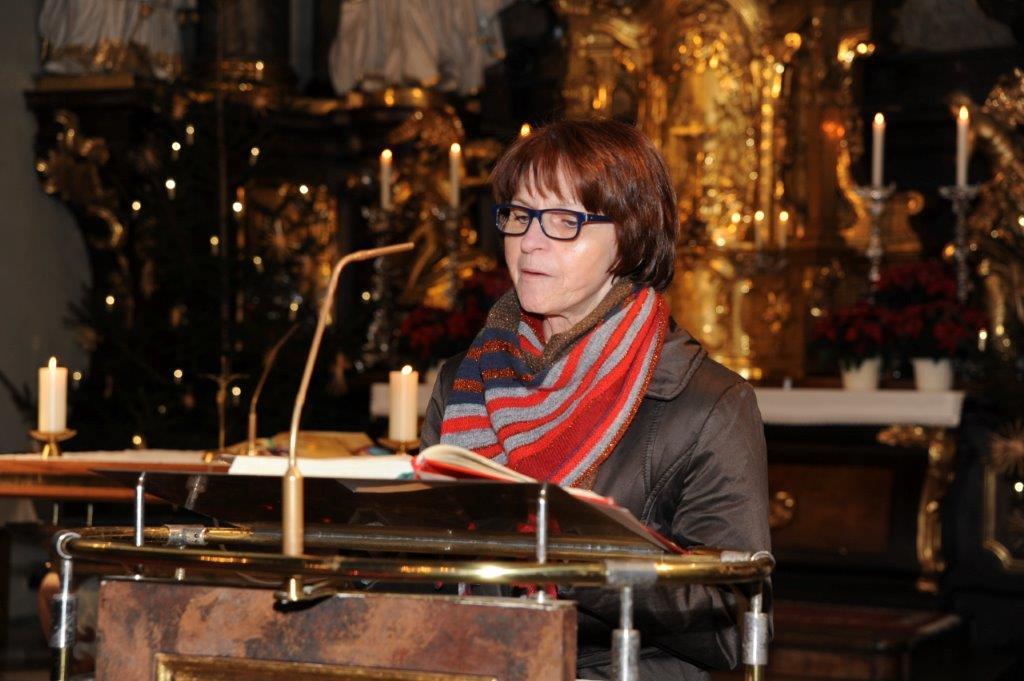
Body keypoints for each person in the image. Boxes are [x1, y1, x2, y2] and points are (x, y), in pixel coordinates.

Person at [420, 118, 769, 680]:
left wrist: (580, 554)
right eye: (519, 215)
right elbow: (422, 569)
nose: (530, 241)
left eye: (565, 221)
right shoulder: (464, 380)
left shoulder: (710, 404)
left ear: (630, 237)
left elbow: (732, 622)